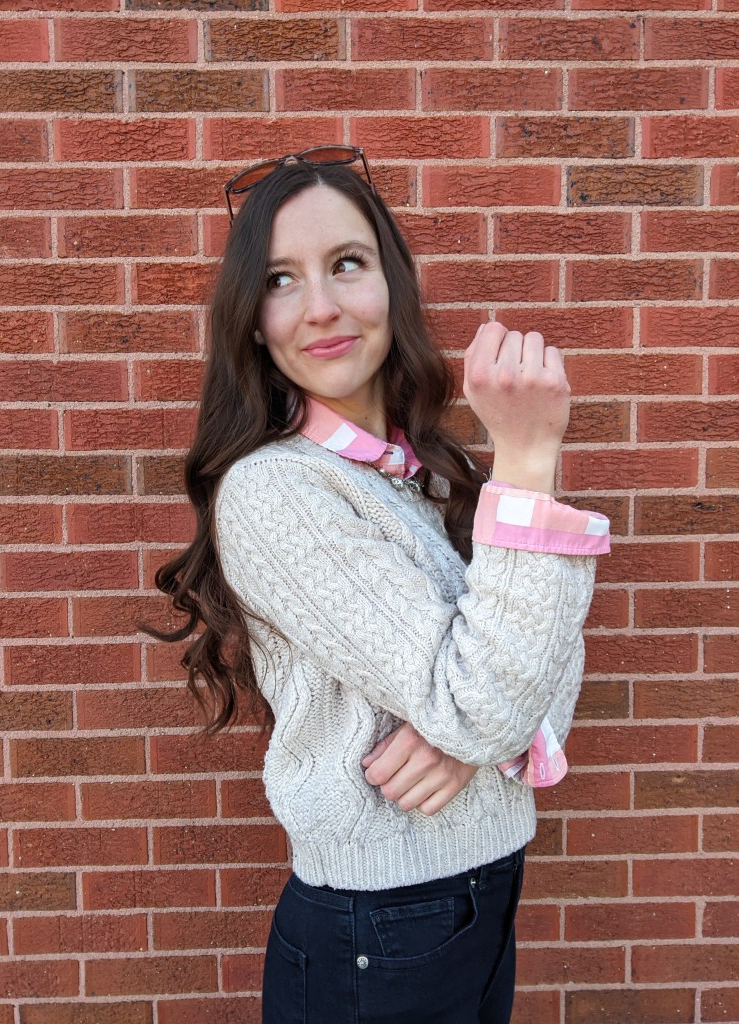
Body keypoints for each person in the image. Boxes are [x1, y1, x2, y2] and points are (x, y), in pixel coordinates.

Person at [151, 146, 610, 1024]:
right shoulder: (275, 490)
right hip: (382, 925)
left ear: (392, 285)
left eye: (347, 263)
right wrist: (527, 460)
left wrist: (471, 732)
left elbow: (549, 660)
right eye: (280, 280)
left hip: (478, 893)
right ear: (253, 321)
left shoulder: (425, 473)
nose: (321, 306)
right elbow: (494, 693)